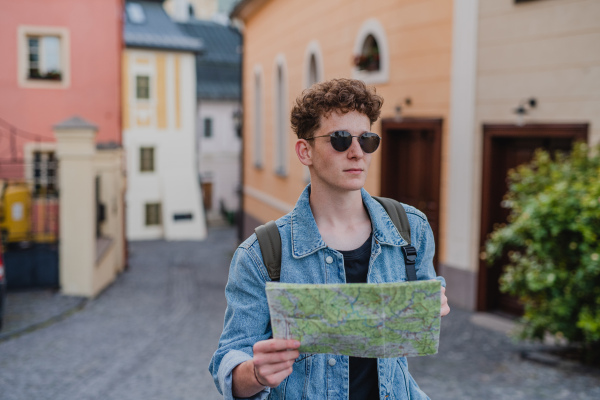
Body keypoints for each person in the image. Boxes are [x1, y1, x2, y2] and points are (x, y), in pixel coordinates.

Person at [209, 78, 450, 400]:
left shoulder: (410, 228)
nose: (356, 153)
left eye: (366, 140)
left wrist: (433, 304)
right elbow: (229, 359)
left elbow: (413, 329)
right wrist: (255, 372)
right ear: (304, 151)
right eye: (340, 139)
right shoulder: (262, 254)